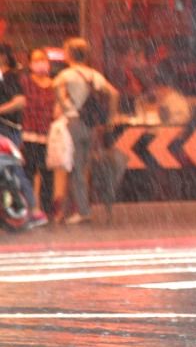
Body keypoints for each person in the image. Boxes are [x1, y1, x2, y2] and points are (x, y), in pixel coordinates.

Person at [53, 37, 118, 225]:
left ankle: (81, 210)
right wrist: (111, 119)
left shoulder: (67, 74)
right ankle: (82, 207)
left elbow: (55, 85)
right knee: (82, 166)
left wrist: (65, 105)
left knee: (74, 167)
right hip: (90, 125)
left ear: (70, 54)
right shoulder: (93, 74)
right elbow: (114, 93)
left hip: (73, 122)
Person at [0, 44, 46, 228]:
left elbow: (20, 101)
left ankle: (32, 210)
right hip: (7, 128)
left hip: (7, 129)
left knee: (13, 170)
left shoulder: (9, 76)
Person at [20, 48, 57, 216]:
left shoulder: (55, 84)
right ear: (30, 64)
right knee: (29, 170)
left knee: (47, 173)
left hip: (49, 135)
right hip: (29, 133)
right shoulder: (25, 82)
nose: (40, 62)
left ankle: (46, 209)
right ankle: (28, 207)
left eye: (42, 59)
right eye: (36, 60)